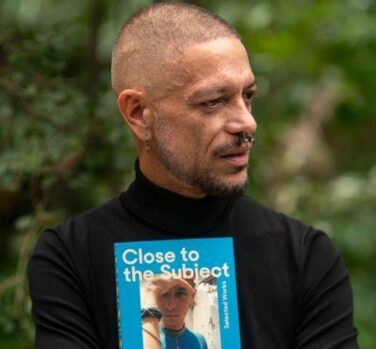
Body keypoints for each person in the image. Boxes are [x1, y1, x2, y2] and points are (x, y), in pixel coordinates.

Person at [28, 2, 359, 349]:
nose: (247, 122)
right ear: (139, 114)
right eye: (213, 102)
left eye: (247, 96)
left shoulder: (303, 255)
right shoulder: (70, 257)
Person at [141, 276, 208, 349]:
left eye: (180, 294)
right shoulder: (144, 340)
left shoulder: (199, 341)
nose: (171, 306)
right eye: (163, 294)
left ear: (192, 297)